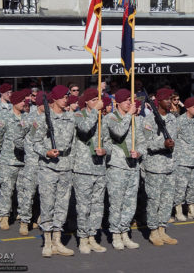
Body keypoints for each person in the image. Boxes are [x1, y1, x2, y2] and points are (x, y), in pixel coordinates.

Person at [33, 85, 75, 257]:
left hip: (66, 166)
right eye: (64, 97)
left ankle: (58, 241)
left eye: (67, 96)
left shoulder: (71, 118)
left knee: (62, 206)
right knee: (47, 204)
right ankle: (48, 242)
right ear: (55, 99)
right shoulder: (44, 118)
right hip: (49, 167)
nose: (67, 99)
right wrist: (46, 152)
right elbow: (35, 142)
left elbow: (74, 144)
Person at [103, 89, 146, 250]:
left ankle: (125, 232)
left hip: (133, 166)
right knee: (117, 202)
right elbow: (118, 132)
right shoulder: (110, 118)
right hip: (117, 166)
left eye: (131, 100)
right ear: (119, 103)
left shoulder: (136, 121)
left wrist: (139, 152)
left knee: (130, 202)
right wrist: (130, 115)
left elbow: (142, 142)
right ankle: (115, 234)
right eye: (127, 100)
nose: (130, 103)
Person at [73, 88, 108, 254]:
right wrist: (95, 111)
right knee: (83, 206)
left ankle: (93, 236)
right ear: (86, 102)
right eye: (93, 99)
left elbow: (108, 141)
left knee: (97, 206)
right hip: (83, 169)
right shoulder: (79, 115)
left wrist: (105, 150)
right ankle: (83, 238)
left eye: (98, 99)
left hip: (99, 168)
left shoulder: (103, 119)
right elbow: (84, 129)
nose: (97, 102)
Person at [143, 88, 178, 246]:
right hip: (155, 166)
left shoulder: (172, 118)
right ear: (159, 101)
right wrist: (162, 143)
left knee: (167, 200)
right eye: (167, 99)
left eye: (171, 99)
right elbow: (147, 143)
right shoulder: (149, 120)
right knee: (154, 200)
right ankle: (153, 231)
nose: (170, 102)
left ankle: (162, 229)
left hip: (169, 165)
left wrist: (170, 145)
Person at [0, 91, 26, 230]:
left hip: (23, 160)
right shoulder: (4, 117)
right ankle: (4, 217)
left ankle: (22, 215)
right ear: (15, 102)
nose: (24, 103)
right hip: (8, 160)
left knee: (23, 190)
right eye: (21, 101)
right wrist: (5, 150)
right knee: (7, 190)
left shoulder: (26, 118)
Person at [14, 91, 45, 236]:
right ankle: (25, 221)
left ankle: (38, 217)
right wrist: (28, 149)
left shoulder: (50, 118)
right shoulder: (29, 117)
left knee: (44, 194)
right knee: (29, 193)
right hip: (32, 161)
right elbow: (17, 138)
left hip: (46, 161)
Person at [174, 97, 194, 221]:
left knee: (193, 186)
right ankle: (178, 210)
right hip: (182, 160)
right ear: (188, 108)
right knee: (180, 187)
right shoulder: (179, 122)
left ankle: (191, 209)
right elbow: (173, 139)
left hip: (193, 160)